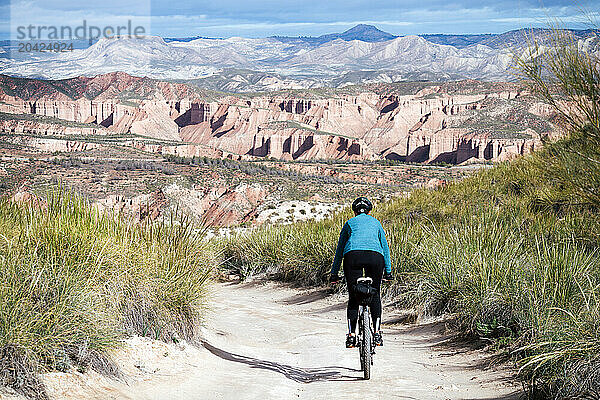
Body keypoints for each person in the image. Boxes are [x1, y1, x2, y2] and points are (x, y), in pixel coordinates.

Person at [330, 197, 393, 348]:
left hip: (353, 256)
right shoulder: (376, 223)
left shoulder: (349, 223)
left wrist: (334, 273)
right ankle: (377, 333)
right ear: (370, 211)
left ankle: (351, 336)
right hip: (375, 256)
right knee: (375, 294)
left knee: (353, 295)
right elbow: (385, 249)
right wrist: (388, 272)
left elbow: (339, 251)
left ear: (354, 211)